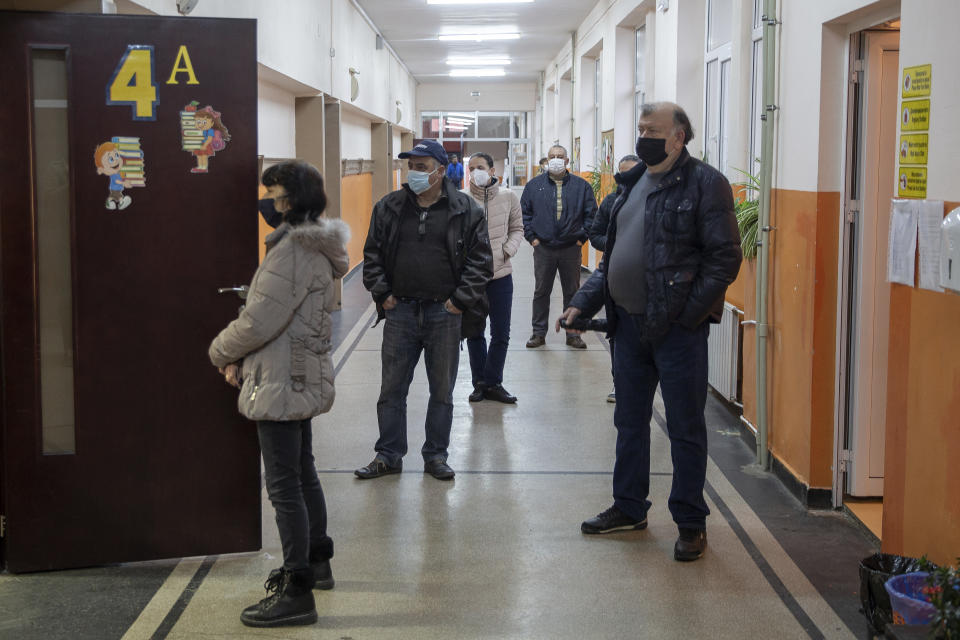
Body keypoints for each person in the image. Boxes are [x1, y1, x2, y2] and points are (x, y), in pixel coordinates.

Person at [558, 102, 742, 562]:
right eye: (640, 129)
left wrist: (687, 315)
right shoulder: (632, 182)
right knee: (629, 423)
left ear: (679, 136)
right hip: (628, 327)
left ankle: (690, 522)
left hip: (678, 332)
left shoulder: (705, 183)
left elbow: (724, 260)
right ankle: (628, 507)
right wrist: (583, 301)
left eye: (653, 130)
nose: (644, 136)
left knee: (684, 428)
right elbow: (614, 257)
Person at [208, 161, 350, 627]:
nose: (264, 200)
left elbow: (259, 321)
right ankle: (317, 562)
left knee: (284, 485)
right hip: (296, 372)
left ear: (288, 199)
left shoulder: (290, 251)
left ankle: (296, 590)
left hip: (281, 379)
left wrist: (219, 351)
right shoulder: (311, 246)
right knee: (302, 472)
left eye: (270, 192)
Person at [356, 139, 492, 481]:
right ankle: (388, 454)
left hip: (444, 315)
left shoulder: (466, 209)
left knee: (442, 390)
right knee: (392, 389)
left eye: (422, 166)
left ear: (441, 171)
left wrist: (459, 301)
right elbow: (371, 255)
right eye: (411, 166)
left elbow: (481, 262)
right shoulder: (389, 207)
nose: (414, 172)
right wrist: (382, 293)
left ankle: (435, 455)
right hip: (400, 311)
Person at [521, 145, 597, 350]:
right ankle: (538, 333)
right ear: (546, 160)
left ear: (567, 160)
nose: (556, 159)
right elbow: (525, 214)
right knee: (541, 291)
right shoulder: (534, 186)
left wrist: (581, 239)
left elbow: (592, 215)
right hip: (543, 247)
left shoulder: (582, 187)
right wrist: (532, 239)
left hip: (571, 247)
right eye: (552, 156)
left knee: (572, 292)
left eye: (560, 156)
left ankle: (573, 334)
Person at [463, 152, 524, 404]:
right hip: (472, 278)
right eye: (471, 168)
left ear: (491, 170)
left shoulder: (509, 197)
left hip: (501, 276)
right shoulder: (461, 199)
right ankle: (479, 383)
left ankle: (492, 382)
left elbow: (517, 228)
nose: (475, 172)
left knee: (501, 333)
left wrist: (506, 251)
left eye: (480, 167)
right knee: (475, 332)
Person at [589, 154, 640, 403]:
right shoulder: (610, 201)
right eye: (622, 172)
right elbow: (595, 233)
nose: (626, 176)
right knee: (617, 332)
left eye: (632, 171)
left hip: (643, 282)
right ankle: (618, 383)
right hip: (614, 276)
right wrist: (613, 246)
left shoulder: (650, 200)